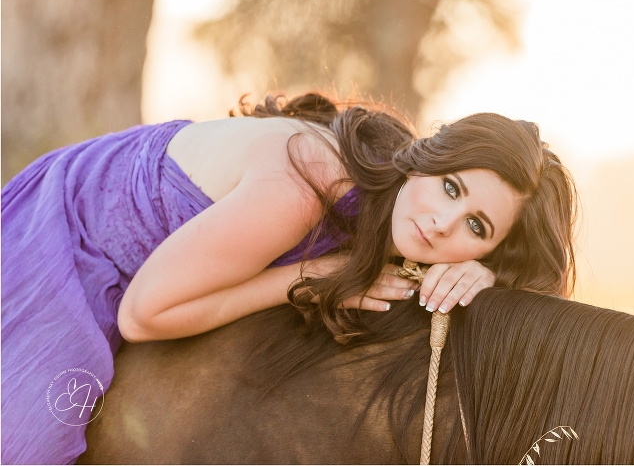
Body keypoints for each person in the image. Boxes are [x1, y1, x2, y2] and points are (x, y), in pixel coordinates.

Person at [1, 92, 577, 464]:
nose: (442, 222)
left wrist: (482, 275)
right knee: (37, 436)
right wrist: (316, 277)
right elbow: (144, 315)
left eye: (476, 225)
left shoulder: (409, 221)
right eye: (451, 186)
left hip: (165, 254)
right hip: (76, 232)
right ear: (426, 159)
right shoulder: (304, 187)